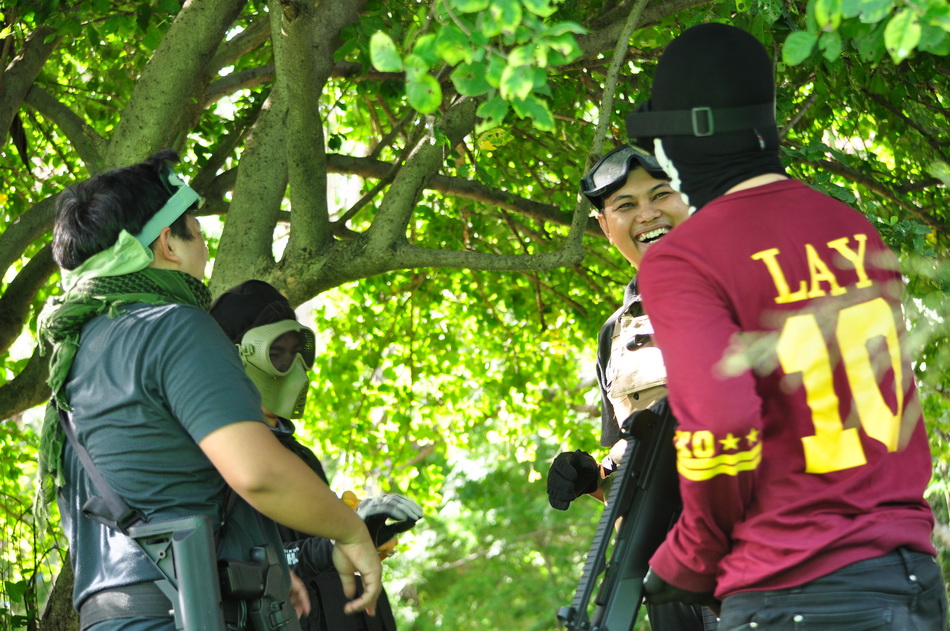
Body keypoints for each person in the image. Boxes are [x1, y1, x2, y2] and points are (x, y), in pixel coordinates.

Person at [625, 23, 948, 630]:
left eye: (662, 141)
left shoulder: (684, 258)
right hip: (907, 577)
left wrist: (690, 556)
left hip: (794, 588)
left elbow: (722, 424)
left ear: (689, 135)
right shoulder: (851, 228)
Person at [36, 149, 382, 631]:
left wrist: (256, 570)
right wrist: (351, 531)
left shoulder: (74, 357)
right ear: (168, 244)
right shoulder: (173, 325)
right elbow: (259, 474)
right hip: (181, 617)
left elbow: (148, 489)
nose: (203, 248)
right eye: (196, 232)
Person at [546, 144, 716, 630]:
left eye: (661, 194)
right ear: (605, 226)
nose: (647, 214)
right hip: (674, 585)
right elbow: (635, 473)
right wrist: (595, 480)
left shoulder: (760, 286)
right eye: (625, 205)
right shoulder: (617, 334)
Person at [209, 279, 423, 631]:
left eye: (298, 352)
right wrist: (335, 543)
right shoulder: (217, 456)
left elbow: (312, 548)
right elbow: (237, 568)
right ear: (236, 358)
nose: (294, 366)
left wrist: (365, 532)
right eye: (277, 354)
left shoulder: (299, 454)